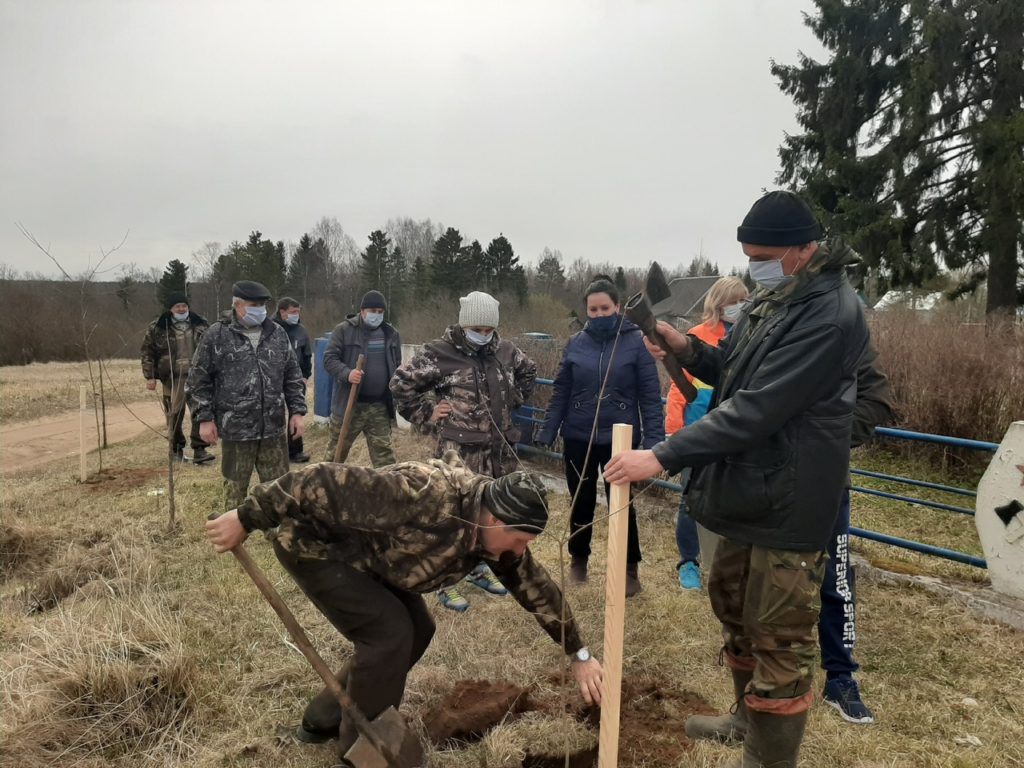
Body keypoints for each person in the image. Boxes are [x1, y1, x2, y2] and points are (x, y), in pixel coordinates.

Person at [604, 190, 869, 768]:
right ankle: (743, 716)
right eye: (748, 254)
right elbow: (735, 372)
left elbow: (759, 407)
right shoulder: (775, 298)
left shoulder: (829, 313)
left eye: (765, 254)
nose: (754, 265)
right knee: (734, 609)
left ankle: (766, 757)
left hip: (790, 499)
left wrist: (664, 455)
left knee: (780, 637)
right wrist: (683, 345)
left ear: (804, 250)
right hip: (745, 487)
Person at [204, 452, 604, 757]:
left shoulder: (493, 535)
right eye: (519, 541)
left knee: (419, 629)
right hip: (318, 549)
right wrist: (246, 516)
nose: (517, 552)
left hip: (375, 562)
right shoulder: (426, 495)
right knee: (388, 633)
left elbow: (534, 585)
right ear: (496, 520)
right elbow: (317, 479)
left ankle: (322, 719)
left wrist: (579, 651)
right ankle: (361, 748)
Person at [390, 290, 537, 612]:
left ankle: (479, 568)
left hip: (500, 451)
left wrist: (514, 399)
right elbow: (401, 384)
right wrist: (427, 412)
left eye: (488, 330)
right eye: (477, 329)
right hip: (460, 451)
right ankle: (445, 581)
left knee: (491, 514)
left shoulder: (507, 351)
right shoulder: (439, 353)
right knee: (453, 516)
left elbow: (528, 372)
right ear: (464, 324)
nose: (483, 336)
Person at [536, 275, 664, 597]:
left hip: (620, 440)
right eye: (592, 309)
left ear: (617, 307)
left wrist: (654, 446)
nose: (598, 314)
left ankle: (629, 568)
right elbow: (561, 391)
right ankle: (579, 559)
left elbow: (650, 397)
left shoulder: (636, 341)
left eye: (604, 307)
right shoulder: (576, 343)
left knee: (621, 505)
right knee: (580, 500)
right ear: (586, 311)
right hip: (578, 435)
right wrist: (548, 429)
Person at [818, 339, 894, 725]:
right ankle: (762, 676)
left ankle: (840, 678)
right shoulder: (765, 318)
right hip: (765, 479)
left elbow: (876, 398)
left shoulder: (843, 326)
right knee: (761, 579)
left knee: (835, 579)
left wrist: (826, 437)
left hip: (827, 480)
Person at [187, 280, 307, 511]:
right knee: (235, 492)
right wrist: (204, 418)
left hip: (272, 429)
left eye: (263, 305)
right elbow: (198, 379)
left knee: (279, 491)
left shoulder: (277, 333)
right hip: (236, 431)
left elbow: (292, 374)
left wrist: (297, 411)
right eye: (255, 304)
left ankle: (279, 537)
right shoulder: (217, 335)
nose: (260, 309)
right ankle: (235, 538)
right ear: (238, 305)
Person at [664, 276, 749, 591]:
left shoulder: (749, 335)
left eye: (743, 300)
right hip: (697, 430)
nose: (739, 307)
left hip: (736, 432)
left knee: (733, 502)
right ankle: (688, 562)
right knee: (690, 501)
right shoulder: (696, 337)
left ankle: (728, 566)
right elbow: (677, 388)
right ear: (718, 303)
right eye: (733, 301)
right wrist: (675, 430)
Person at [322, 290, 401, 467]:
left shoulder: (391, 334)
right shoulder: (344, 330)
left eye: (381, 312)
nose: (377, 315)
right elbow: (329, 360)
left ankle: (386, 492)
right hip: (349, 405)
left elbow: (396, 365)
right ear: (362, 311)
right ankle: (325, 489)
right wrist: (347, 373)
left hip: (379, 407)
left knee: (385, 458)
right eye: (373, 310)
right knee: (335, 454)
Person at [141, 291, 215, 464]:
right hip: (172, 379)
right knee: (174, 415)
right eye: (177, 306)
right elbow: (147, 351)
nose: (181, 309)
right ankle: (176, 450)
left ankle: (200, 450)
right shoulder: (158, 326)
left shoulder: (202, 324)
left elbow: (213, 347)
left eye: (184, 306)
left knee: (200, 412)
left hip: (198, 378)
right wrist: (149, 376)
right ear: (171, 309)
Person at [274, 297, 313, 463]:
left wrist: (305, 376)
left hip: (296, 380)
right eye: (293, 312)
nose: (296, 315)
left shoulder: (301, 331)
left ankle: (295, 451)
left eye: (298, 312)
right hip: (273, 379)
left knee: (295, 414)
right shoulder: (270, 328)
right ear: (282, 312)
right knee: (273, 415)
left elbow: (306, 356)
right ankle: (273, 452)